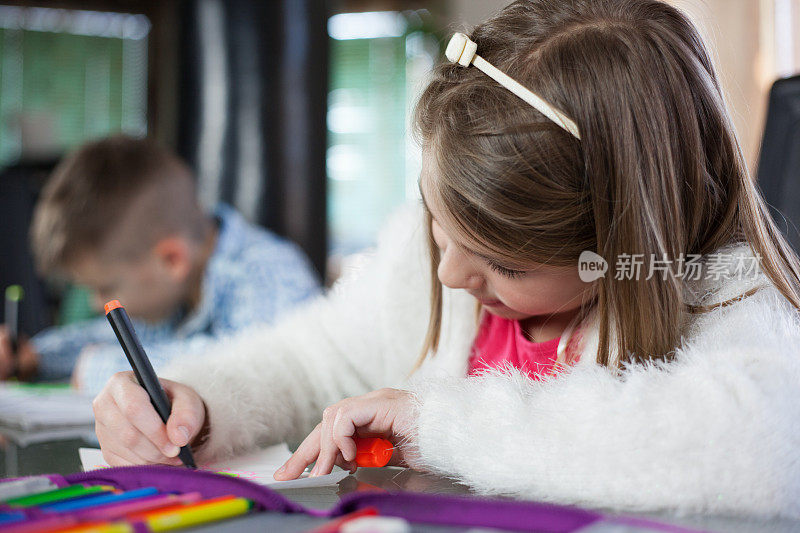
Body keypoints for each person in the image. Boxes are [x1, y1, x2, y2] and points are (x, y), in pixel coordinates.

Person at [92, 0, 800, 518]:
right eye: (438, 223)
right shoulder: (426, 253)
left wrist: (442, 426)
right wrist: (202, 404)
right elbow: (315, 358)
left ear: (620, 246)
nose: (450, 275)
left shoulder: (723, 297)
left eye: (505, 266)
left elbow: (760, 445)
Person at [0, 135, 321, 394]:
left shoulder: (271, 273)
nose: (96, 304)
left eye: (104, 288)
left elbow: (252, 370)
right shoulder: (171, 288)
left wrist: (97, 369)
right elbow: (117, 338)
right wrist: (36, 357)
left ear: (171, 259)